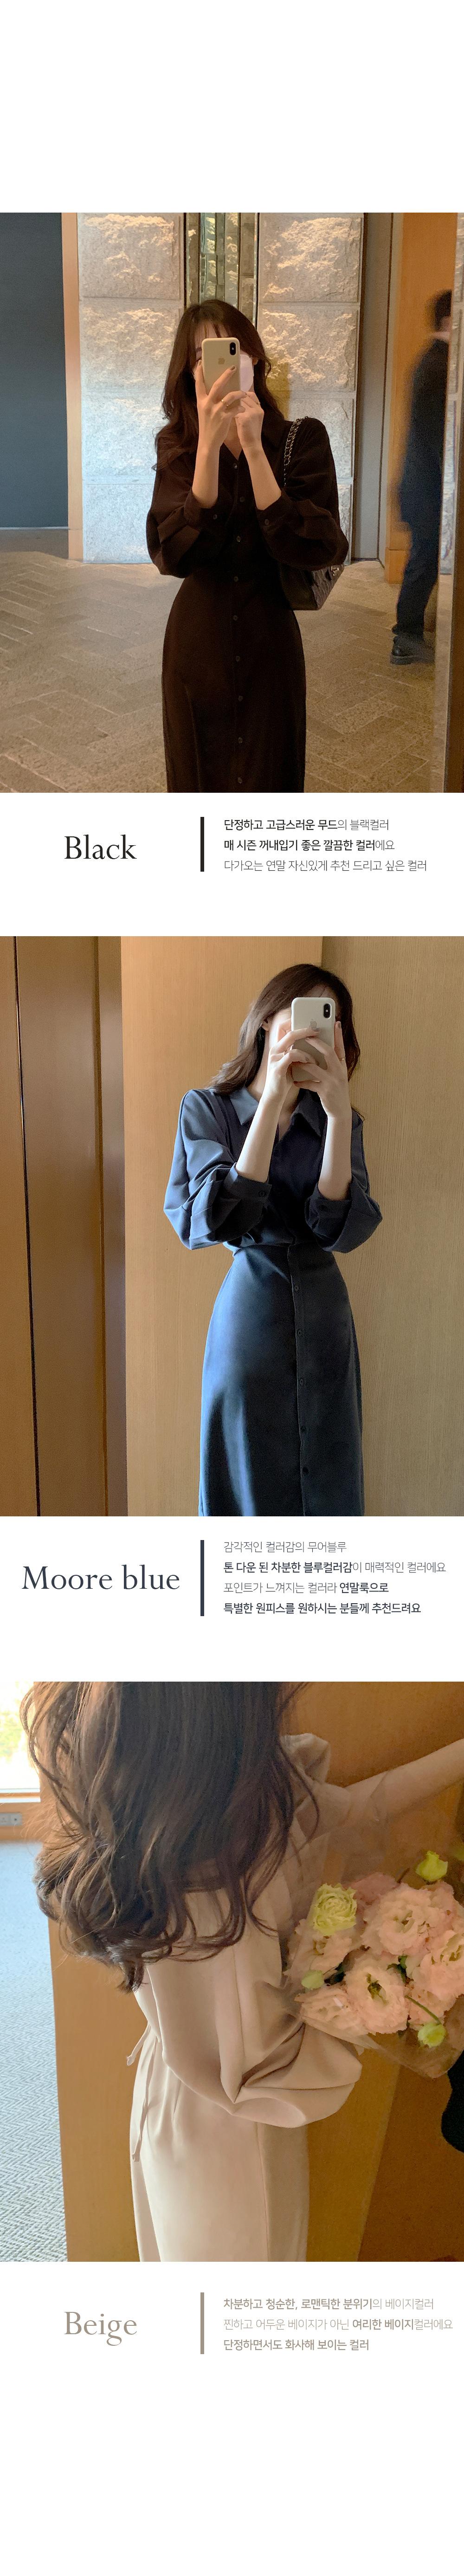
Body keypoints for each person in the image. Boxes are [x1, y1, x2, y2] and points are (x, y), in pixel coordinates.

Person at [22, 1680, 464, 2262]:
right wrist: (372, 1999)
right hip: (229, 2125)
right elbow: (259, 2071)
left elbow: (359, 1806)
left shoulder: (187, 1817)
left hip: (184, 2088)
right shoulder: (213, 1875)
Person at [165, 963, 381, 1515]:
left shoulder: (338, 1118)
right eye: (301, 1012)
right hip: (250, 1315)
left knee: (328, 1471)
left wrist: (337, 1118)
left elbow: (336, 1227)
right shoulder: (207, 1108)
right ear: (266, 1020)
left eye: (328, 1020)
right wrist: (270, 1104)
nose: (313, 1032)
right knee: (248, 1471)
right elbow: (221, 1216)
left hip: (325, 1315)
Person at [146, 298, 347, 791]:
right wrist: (209, 448)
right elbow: (173, 556)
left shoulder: (302, 439)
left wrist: (254, 449)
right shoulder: (178, 447)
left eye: (229, 348)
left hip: (269, 644)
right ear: (189, 372)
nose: (218, 365)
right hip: (197, 646)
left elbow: (320, 547)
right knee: (198, 785)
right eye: (202, 355)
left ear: (253, 356)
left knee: (271, 782)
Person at [391, 288, 452, 666]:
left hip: (423, 487)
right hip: (428, 490)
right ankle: (406, 637)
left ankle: (410, 631)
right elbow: (438, 439)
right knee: (423, 562)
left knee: (424, 561)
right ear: (450, 321)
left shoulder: (435, 362)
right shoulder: (439, 367)